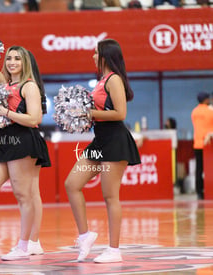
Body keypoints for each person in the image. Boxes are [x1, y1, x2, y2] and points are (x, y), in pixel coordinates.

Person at [64, 39, 141, 263]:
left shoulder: (114, 79)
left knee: (110, 196)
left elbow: (120, 113)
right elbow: (100, 111)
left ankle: (114, 250)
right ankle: (85, 235)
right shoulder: (101, 80)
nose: (93, 56)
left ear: (106, 56)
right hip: (100, 141)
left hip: (115, 141)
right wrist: (84, 117)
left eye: (96, 53)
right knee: (72, 184)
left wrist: (89, 114)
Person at [0, 45, 50, 261]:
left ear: (24, 62)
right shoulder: (7, 85)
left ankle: (24, 245)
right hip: (5, 141)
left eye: (17, 58)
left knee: (23, 195)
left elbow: (35, 119)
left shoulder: (29, 86)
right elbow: (1, 81)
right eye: (9, 58)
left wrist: (5, 112)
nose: (12, 62)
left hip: (24, 140)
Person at [191, 92, 213, 200]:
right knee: (210, 168)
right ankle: (210, 190)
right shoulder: (210, 111)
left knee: (199, 169)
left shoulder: (194, 112)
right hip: (209, 144)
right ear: (205, 100)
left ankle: (199, 192)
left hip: (197, 144)